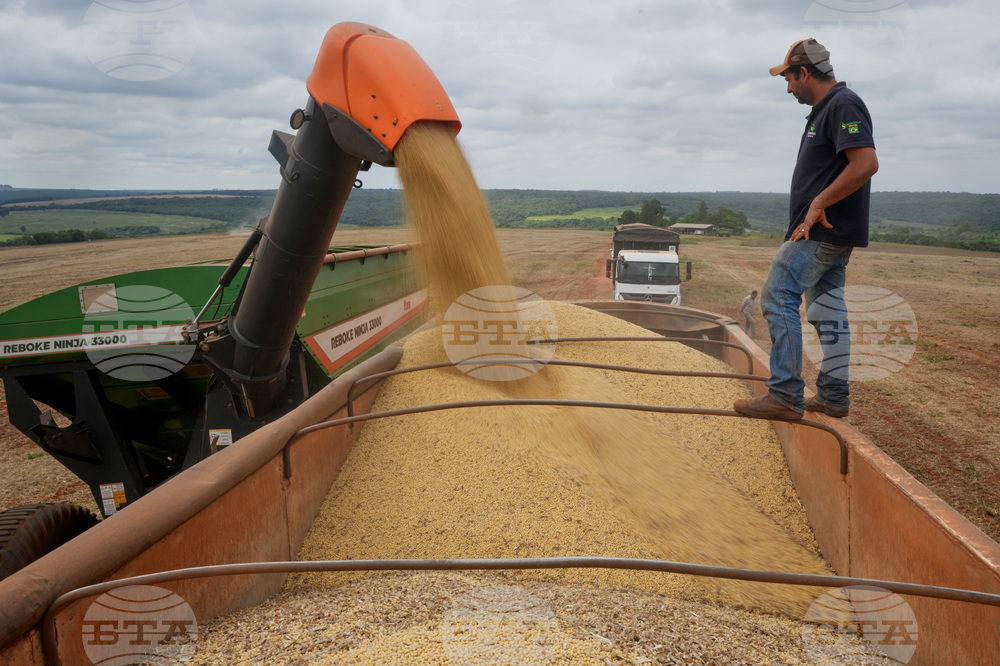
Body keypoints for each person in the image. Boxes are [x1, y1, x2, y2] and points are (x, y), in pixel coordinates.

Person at [734, 38, 878, 421]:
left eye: (789, 79)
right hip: (832, 232)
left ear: (804, 72)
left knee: (777, 295)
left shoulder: (843, 104)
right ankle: (832, 395)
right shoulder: (826, 110)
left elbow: (865, 163)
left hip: (821, 231)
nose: (787, 88)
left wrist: (817, 204)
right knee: (828, 312)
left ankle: (783, 394)